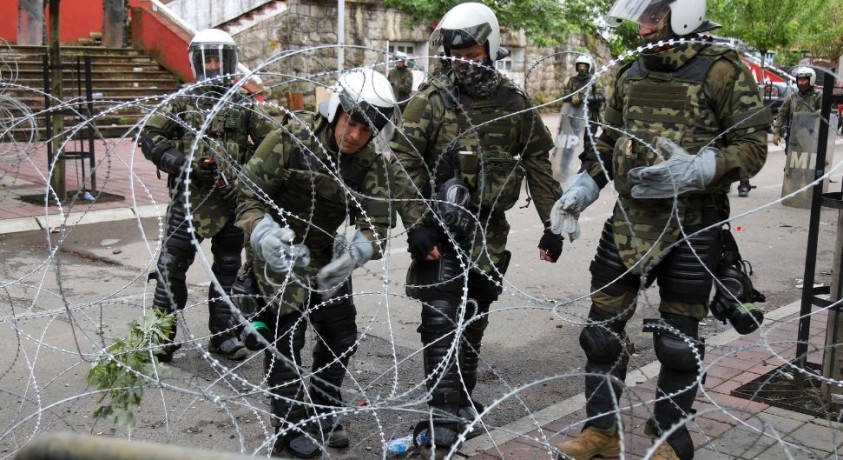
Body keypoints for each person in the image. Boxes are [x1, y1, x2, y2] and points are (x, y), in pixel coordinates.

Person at [551, 0, 770, 459]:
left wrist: (702, 168)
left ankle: (670, 439)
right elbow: (606, 142)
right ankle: (602, 434)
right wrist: (583, 187)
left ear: (682, 16)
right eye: (644, 18)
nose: (644, 28)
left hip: (692, 227)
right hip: (630, 223)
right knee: (600, 334)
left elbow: (752, 146)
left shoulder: (722, 71)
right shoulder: (631, 74)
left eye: (653, 17)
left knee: (677, 344)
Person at [389, 2, 563, 457]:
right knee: (441, 318)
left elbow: (539, 165)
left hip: (489, 232)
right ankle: (443, 412)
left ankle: (461, 398)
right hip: (441, 227)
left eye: (471, 49)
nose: (463, 58)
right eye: (456, 50)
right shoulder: (433, 100)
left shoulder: (513, 104)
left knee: (471, 318)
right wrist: (417, 225)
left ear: (489, 46)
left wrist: (554, 224)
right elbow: (404, 162)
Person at [235, 68, 396, 458]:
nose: (355, 135)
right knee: (286, 340)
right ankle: (290, 430)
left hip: (325, 255)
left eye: (366, 129)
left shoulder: (368, 164)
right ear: (335, 112)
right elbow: (247, 195)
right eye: (351, 122)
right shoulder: (289, 141)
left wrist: (354, 253)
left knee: (340, 336)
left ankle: (323, 411)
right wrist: (264, 234)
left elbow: (375, 224)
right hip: (277, 251)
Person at [139, 28, 273, 362]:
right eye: (207, 59)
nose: (213, 67)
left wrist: (253, 172)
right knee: (171, 268)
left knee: (227, 269)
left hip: (230, 203)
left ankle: (223, 336)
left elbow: (273, 142)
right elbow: (150, 135)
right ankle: (160, 337)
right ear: (198, 62)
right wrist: (177, 161)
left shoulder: (242, 103)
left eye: (218, 60)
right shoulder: (182, 100)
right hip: (189, 201)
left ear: (230, 62)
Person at [561, 53, 605, 160]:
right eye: (580, 66)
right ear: (577, 67)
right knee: (569, 143)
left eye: (584, 66)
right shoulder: (572, 81)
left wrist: (582, 98)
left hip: (589, 118)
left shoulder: (594, 80)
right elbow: (564, 97)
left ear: (588, 67)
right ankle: (564, 169)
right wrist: (571, 98)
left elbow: (601, 97)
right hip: (574, 117)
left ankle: (586, 168)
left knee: (589, 144)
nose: (582, 68)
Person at [772, 66, 822, 146]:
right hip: (793, 137)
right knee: (792, 158)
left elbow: (825, 111)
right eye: (799, 80)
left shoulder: (818, 96)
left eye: (804, 80)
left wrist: (810, 115)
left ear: (811, 80)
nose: (801, 83)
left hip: (811, 136)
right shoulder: (792, 97)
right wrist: (776, 133)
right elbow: (781, 115)